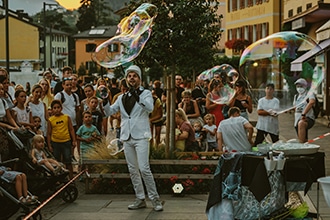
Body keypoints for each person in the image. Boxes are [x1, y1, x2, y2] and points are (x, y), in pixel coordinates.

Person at [102, 65, 163, 212]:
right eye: (129, 76)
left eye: (134, 75)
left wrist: (137, 94)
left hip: (141, 136)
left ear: (139, 79)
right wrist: (104, 99)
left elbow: (149, 108)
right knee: (133, 169)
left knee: (144, 168)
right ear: (126, 79)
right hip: (126, 137)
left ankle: (155, 199)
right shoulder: (122, 97)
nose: (131, 78)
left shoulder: (146, 93)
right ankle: (140, 198)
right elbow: (109, 111)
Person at [47, 100, 77, 179]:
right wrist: (49, 145)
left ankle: (71, 178)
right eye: (54, 108)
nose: (56, 109)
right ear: (52, 109)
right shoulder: (51, 120)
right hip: (55, 143)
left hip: (66, 142)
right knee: (56, 162)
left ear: (61, 108)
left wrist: (74, 140)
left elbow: (71, 129)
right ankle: (59, 179)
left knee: (68, 160)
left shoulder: (66, 117)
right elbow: (49, 133)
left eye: (58, 107)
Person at [293, 78, 315, 143]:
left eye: (301, 86)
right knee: (303, 139)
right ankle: (305, 149)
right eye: (298, 86)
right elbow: (295, 107)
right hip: (297, 120)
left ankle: (302, 148)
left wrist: (303, 113)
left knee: (301, 123)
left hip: (307, 118)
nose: (299, 88)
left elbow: (312, 102)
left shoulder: (309, 94)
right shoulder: (296, 96)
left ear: (305, 86)